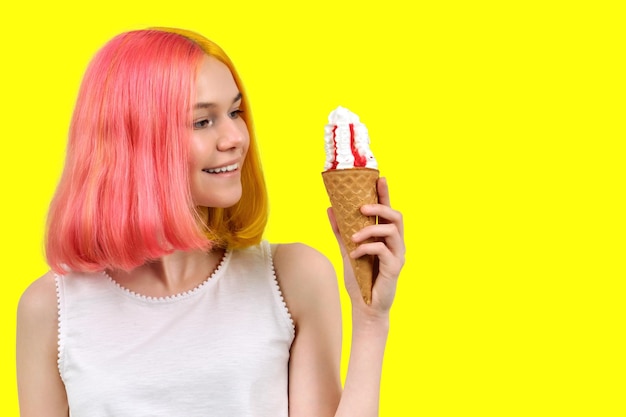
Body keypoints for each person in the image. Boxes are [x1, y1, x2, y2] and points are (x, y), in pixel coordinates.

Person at [16, 27, 405, 417]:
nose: (236, 136)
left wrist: (371, 320)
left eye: (235, 112)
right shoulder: (50, 310)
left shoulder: (293, 277)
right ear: (135, 142)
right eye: (203, 122)